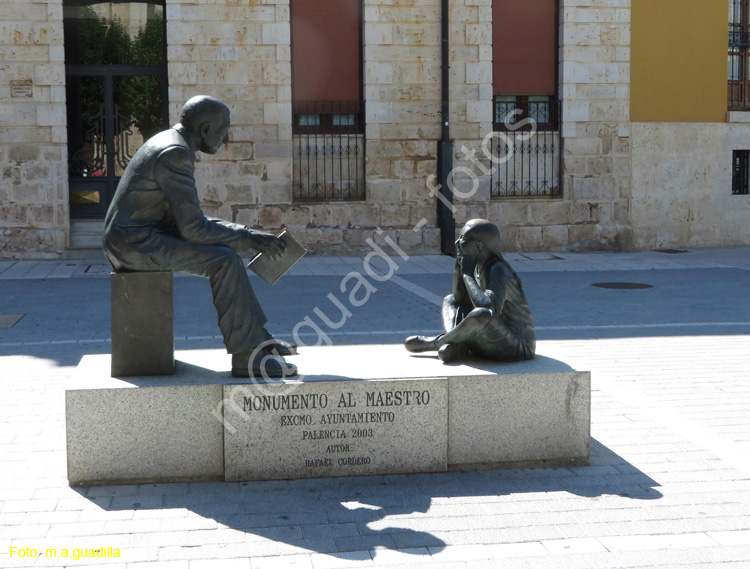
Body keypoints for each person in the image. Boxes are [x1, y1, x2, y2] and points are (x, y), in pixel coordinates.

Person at [103, 95, 297, 378]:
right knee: (224, 261)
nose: (226, 137)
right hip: (133, 243)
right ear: (205, 129)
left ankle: (257, 339)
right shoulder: (174, 153)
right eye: (223, 130)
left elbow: (191, 222)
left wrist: (248, 235)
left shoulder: (171, 143)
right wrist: (250, 238)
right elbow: (193, 228)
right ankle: (247, 355)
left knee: (225, 255)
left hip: (140, 234)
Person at [404, 219, 535, 363]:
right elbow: (459, 297)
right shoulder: (477, 265)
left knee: (481, 314)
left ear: (478, 246)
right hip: (491, 341)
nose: (457, 242)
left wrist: (467, 274)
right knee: (450, 300)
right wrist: (460, 267)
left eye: (463, 239)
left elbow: (487, 308)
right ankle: (455, 343)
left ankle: (436, 343)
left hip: (517, 347)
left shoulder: (498, 269)